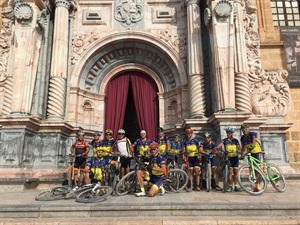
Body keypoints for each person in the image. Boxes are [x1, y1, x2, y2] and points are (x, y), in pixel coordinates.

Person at [216, 127, 241, 192]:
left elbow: (239, 148)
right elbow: (219, 145)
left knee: (235, 172)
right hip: (229, 158)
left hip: (235, 158)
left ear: (232, 133)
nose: (228, 134)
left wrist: (239, 150)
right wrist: (217, 149)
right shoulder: (225, 140)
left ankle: (236, 185)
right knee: (230, 172)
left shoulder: (235, 140)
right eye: (227, 133)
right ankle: (230, 186)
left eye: (229, 133)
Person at [240, 124, 263, 192]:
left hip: (256, 152)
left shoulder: (253, 134)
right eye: (243, 130)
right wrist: (242, 155)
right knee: (251, 168)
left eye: (245, 129)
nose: (244, 131)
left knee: (257, 169)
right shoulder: (243, 138)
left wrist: (247, 152)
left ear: (248, 129)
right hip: (250, 154)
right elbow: (243, 147)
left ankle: (258, 184)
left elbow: (253, 143)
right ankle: (253, 185)